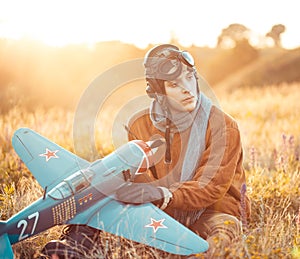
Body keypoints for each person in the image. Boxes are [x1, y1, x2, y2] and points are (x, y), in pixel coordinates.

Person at [41, 44, 251, 258]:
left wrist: (165, 194)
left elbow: (211, 186)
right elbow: (138, 176)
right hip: (160, 210)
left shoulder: (223, 126)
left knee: (223, 233)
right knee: (108, 184)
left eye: (190, 77)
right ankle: (77, 244)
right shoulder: (139, 124)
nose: (188, 89)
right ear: (158, 92)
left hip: (213, 211)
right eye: (174, 85)